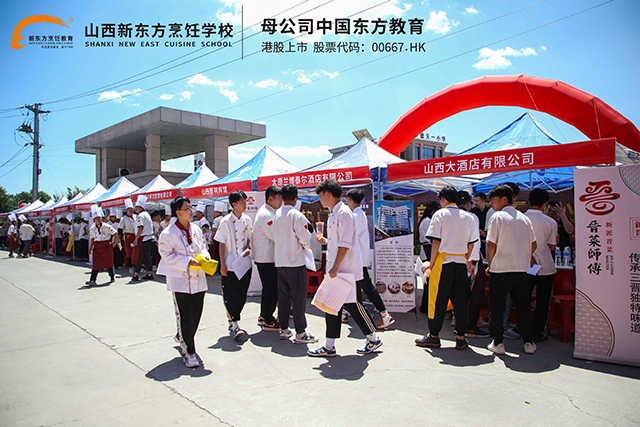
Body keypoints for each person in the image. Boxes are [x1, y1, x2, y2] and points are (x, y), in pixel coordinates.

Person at [308, 179, 382, 357]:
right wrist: (327, 242)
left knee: (354, 305)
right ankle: (329, 345)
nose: (320, 200)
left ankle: (373, 338)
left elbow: (345, 244)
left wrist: (335, 267)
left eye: (320, 196)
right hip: (338, 269)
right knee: (331, 305)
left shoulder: (344, 213)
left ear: (327, 193)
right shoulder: (335, 213)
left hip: (345, 270)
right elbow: (339, 242)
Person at [415, 186, 478, 351]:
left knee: (438, 301)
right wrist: (466, 259)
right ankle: (461, 337)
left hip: (444, 263)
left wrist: (431, 263)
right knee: (460, 302)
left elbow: (436, 241)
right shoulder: (468, 217)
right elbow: (472, 244)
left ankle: (434, 336)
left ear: (442, 199)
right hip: (461, 262)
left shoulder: (440, 214)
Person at [157, 196, 211, 369]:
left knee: (196, 314)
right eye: (187, 208)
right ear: (178, 212)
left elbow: (203, 247)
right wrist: (188, 261)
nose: (191, 211)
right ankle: (189, 351)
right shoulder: (168, 234)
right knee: (185, 316)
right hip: (180, 280)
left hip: (198, 278)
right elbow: (167, 256)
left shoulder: (196, 229)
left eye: (191, 207)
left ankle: (183, 336)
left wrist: (205, 258)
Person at [485, 184, 538, 355]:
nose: (491, 203)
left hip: (500, 269)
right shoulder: (524, 218)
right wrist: (522, 256)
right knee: (523, 307)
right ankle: (529, 342)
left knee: (497, 307)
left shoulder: (497, 217)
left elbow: (491, 244)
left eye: (493, 200)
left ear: (504, 199)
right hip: (520, 270)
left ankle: (498, 342)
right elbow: (534, 244)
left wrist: (491, 264)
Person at [272, 184, 318, 343]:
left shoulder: (277, 215)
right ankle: (301, 332)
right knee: (298, 298)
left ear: (282, 198)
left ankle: (284, 329)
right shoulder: (296, 215)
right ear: (297, 198)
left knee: (283, 297)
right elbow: (305, 238)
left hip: (280, 261)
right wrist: (304, 244)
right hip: (294, 261)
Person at [346, 188, 395, 330]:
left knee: (365, 287)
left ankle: (384, 315)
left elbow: (350, 237)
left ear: (350, 200)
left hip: (357, 258)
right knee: (358, 287)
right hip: (359, 258)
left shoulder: (355, 216)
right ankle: (360, 314)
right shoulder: (359, 214)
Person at [214, 190, 253, 340]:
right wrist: (222, 264)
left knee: (242, 293)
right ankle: (235, 323)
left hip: (244, 262)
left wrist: (249, 248)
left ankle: (233, 317)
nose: (245, 204)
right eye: (242, 202)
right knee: (230, 293)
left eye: (245, 201)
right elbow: (221, 244)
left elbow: (250, 238)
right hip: (230, 262)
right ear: (234, 204)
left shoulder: (247, 220)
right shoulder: (225, 221)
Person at [525, 189, 558, 342]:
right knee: (543, 300)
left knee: (523, 298)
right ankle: (538, 332)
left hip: (525, 264)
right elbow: (551, 244)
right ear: (545, 204)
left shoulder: (521, 218)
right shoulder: (550, 222)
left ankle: (523, 328)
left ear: (529, 201)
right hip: (545, 265)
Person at [456, 191, 490, 339]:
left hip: (453, 260)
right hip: (470, 260)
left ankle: (459, 325)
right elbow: (474, 241)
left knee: (459, 294)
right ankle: (470, 326)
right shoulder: (471, 217)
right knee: (476, 295)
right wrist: (473, 262)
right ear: (469, 204)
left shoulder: (447, 216)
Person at [252, 185, 283, 331]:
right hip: (266, 258)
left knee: (268, 288)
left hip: (267, 257)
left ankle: (264, 315)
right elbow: (275, 235)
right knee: (271, 289)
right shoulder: (266, 214)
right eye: (279, 198)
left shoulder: (269, 212)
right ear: (270, 198)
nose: (281, 201)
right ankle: (268, 319)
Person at [86, 206, 118, 286]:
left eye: (100, 218)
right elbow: (92, 238)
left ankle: (112, 276)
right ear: (94, 219)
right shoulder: (92, 228)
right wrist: (90, 248)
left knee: (109, 262)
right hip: (97, 246)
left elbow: (115, 233)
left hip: (106, 246)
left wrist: (114, 243)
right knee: (95, 264)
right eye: (97, 218)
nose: (99, 220)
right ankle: (92, 280)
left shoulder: (106, 226)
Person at [130, 195, 155, 282]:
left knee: (138, 256)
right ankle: (149, 273)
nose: (135, 209)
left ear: (141, 207)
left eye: (137, 207)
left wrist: (136, 238)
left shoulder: (140, 215)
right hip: (149, 237)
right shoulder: (147, 214)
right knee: (147, 256)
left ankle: (136, 274)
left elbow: (141, 227)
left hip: (143, 238)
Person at [118, 199, 137, 273]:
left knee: (136, 251)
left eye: (132, 209)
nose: (131, 210)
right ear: (126, 210)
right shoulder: (123, 219)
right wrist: (119, 240)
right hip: (128, 236)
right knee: (129, 252)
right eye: (129, 209)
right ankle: (130, 267)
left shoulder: (136, 216)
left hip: (135, 235)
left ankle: (137, 266)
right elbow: (120, 229)